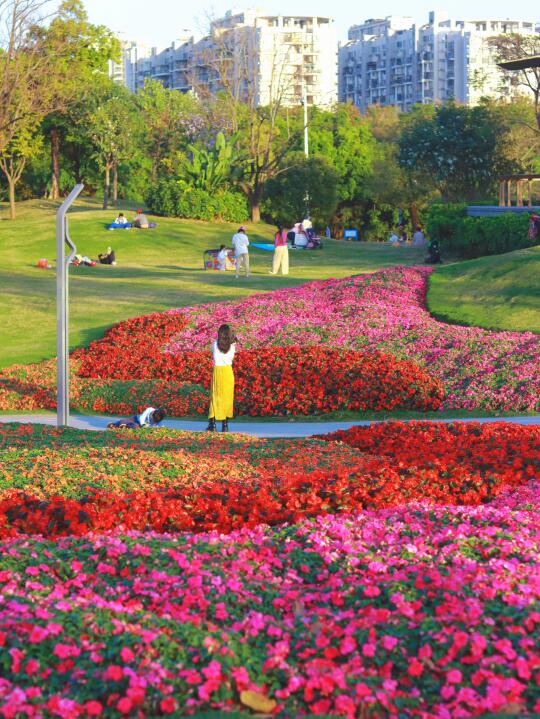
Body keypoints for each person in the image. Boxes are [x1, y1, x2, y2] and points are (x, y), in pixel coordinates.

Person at [207, 324, 236, 432]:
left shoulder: (215, 344)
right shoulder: (232, 347)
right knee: (227, 398)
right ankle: (225, 425)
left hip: (217, 371)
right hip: (228, 371)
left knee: (214, 397)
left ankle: (212, 424)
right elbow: (231, 357)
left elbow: (213, 353)